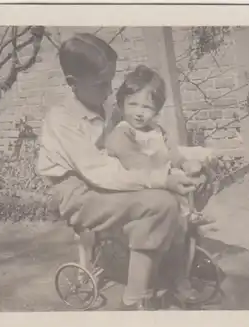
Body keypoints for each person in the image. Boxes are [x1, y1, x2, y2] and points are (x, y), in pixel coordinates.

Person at [37, 33, 203, 310]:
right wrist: (159, 178)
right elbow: (99, 171)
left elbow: (131, 151)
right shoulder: (63, 119)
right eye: (102, 83)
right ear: (72, 84)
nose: (110, 91)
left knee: (164, 203)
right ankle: (136, 300)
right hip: (77, 192)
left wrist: (181, 163)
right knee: (159, 203)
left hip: (103, 183)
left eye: (111, 81)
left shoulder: (102, 106)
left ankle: (152, 282)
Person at [105, 64, 215, 224]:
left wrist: (184, 163)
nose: (139, 113)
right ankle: (181, 218)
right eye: (133, 105)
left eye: (147, 107)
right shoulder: (123, 133)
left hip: (163, 176)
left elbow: (171, 152)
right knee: (176, 185)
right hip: (141, 183)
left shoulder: (157, 131)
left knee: (201, 174)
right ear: (122, 105)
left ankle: (188, 214)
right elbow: (133, 162)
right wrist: (166, 174)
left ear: (156, 111)